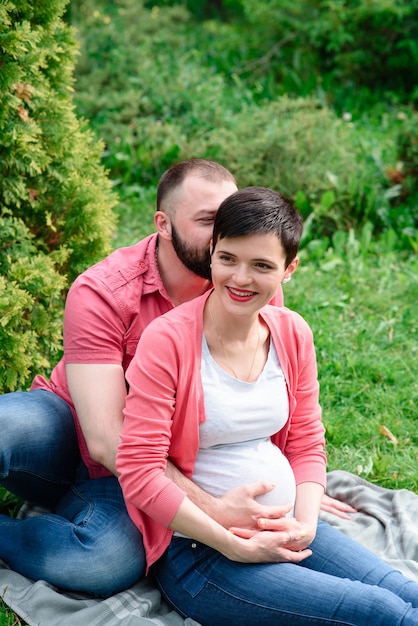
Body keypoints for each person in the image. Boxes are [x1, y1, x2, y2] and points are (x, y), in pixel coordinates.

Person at [0, 158, 350, 598]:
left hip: (141, 476)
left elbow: (263, 394)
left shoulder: (242, 281)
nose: (225, 234)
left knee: (102, 563)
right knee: (6, 426)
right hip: (72, 428)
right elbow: (109, 442)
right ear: (163, 225)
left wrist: (299, 488)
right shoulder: (104, 291)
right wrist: (216, 511)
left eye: (228, 215)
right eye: (208, 220)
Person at [117, 186, 418, 626]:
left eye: (261, 265)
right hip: (201, 555)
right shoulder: (168, 340)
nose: (240, 279)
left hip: (286, 527)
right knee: (381, 612)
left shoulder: (291, 332)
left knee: (405, 591)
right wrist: (231, 542)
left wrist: (306, 525)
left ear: (288, 269)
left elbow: (306, 444)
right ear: (212, 254)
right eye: (228, 259)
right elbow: (139, 469)